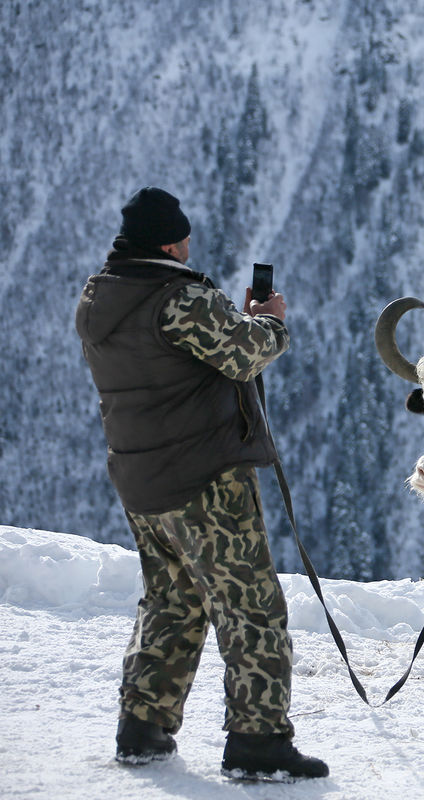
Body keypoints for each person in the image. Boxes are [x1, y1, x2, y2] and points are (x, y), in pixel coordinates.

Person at [75, 187, 328, 781]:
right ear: (170, 244)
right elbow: (247, 354)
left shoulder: (100, 295)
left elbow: (170, 359)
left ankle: (142, 727)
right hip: (204, 479)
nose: (190, 248)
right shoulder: (180, 298)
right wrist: (269, 321)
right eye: (184, 239)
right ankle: (258, 741)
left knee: (172, 599)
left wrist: (227, 320)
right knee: (251, 606)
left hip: (138, 474)